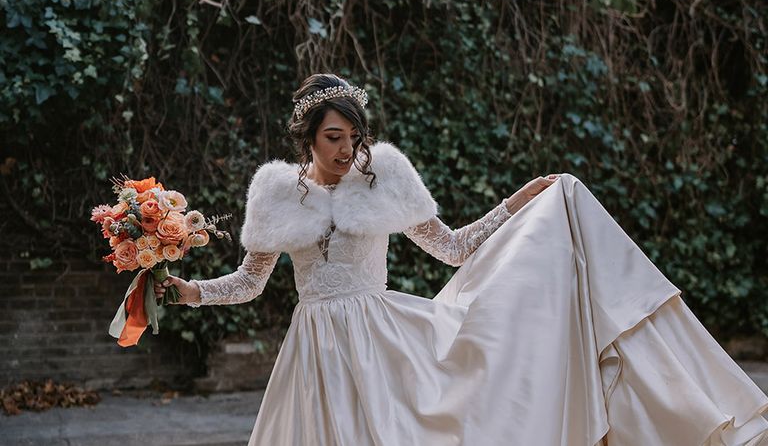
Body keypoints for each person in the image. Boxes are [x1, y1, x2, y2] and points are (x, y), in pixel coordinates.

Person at [156, 73, 768, 445]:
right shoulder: (275, 191)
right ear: (308, 138)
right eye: (332, 138)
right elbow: (249, 282)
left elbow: (451, 248)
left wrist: (517, 204)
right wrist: (187, 291)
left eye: (353, 136)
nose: (347, 150)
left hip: (380, 341)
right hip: (314, 347)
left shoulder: (385, 177)